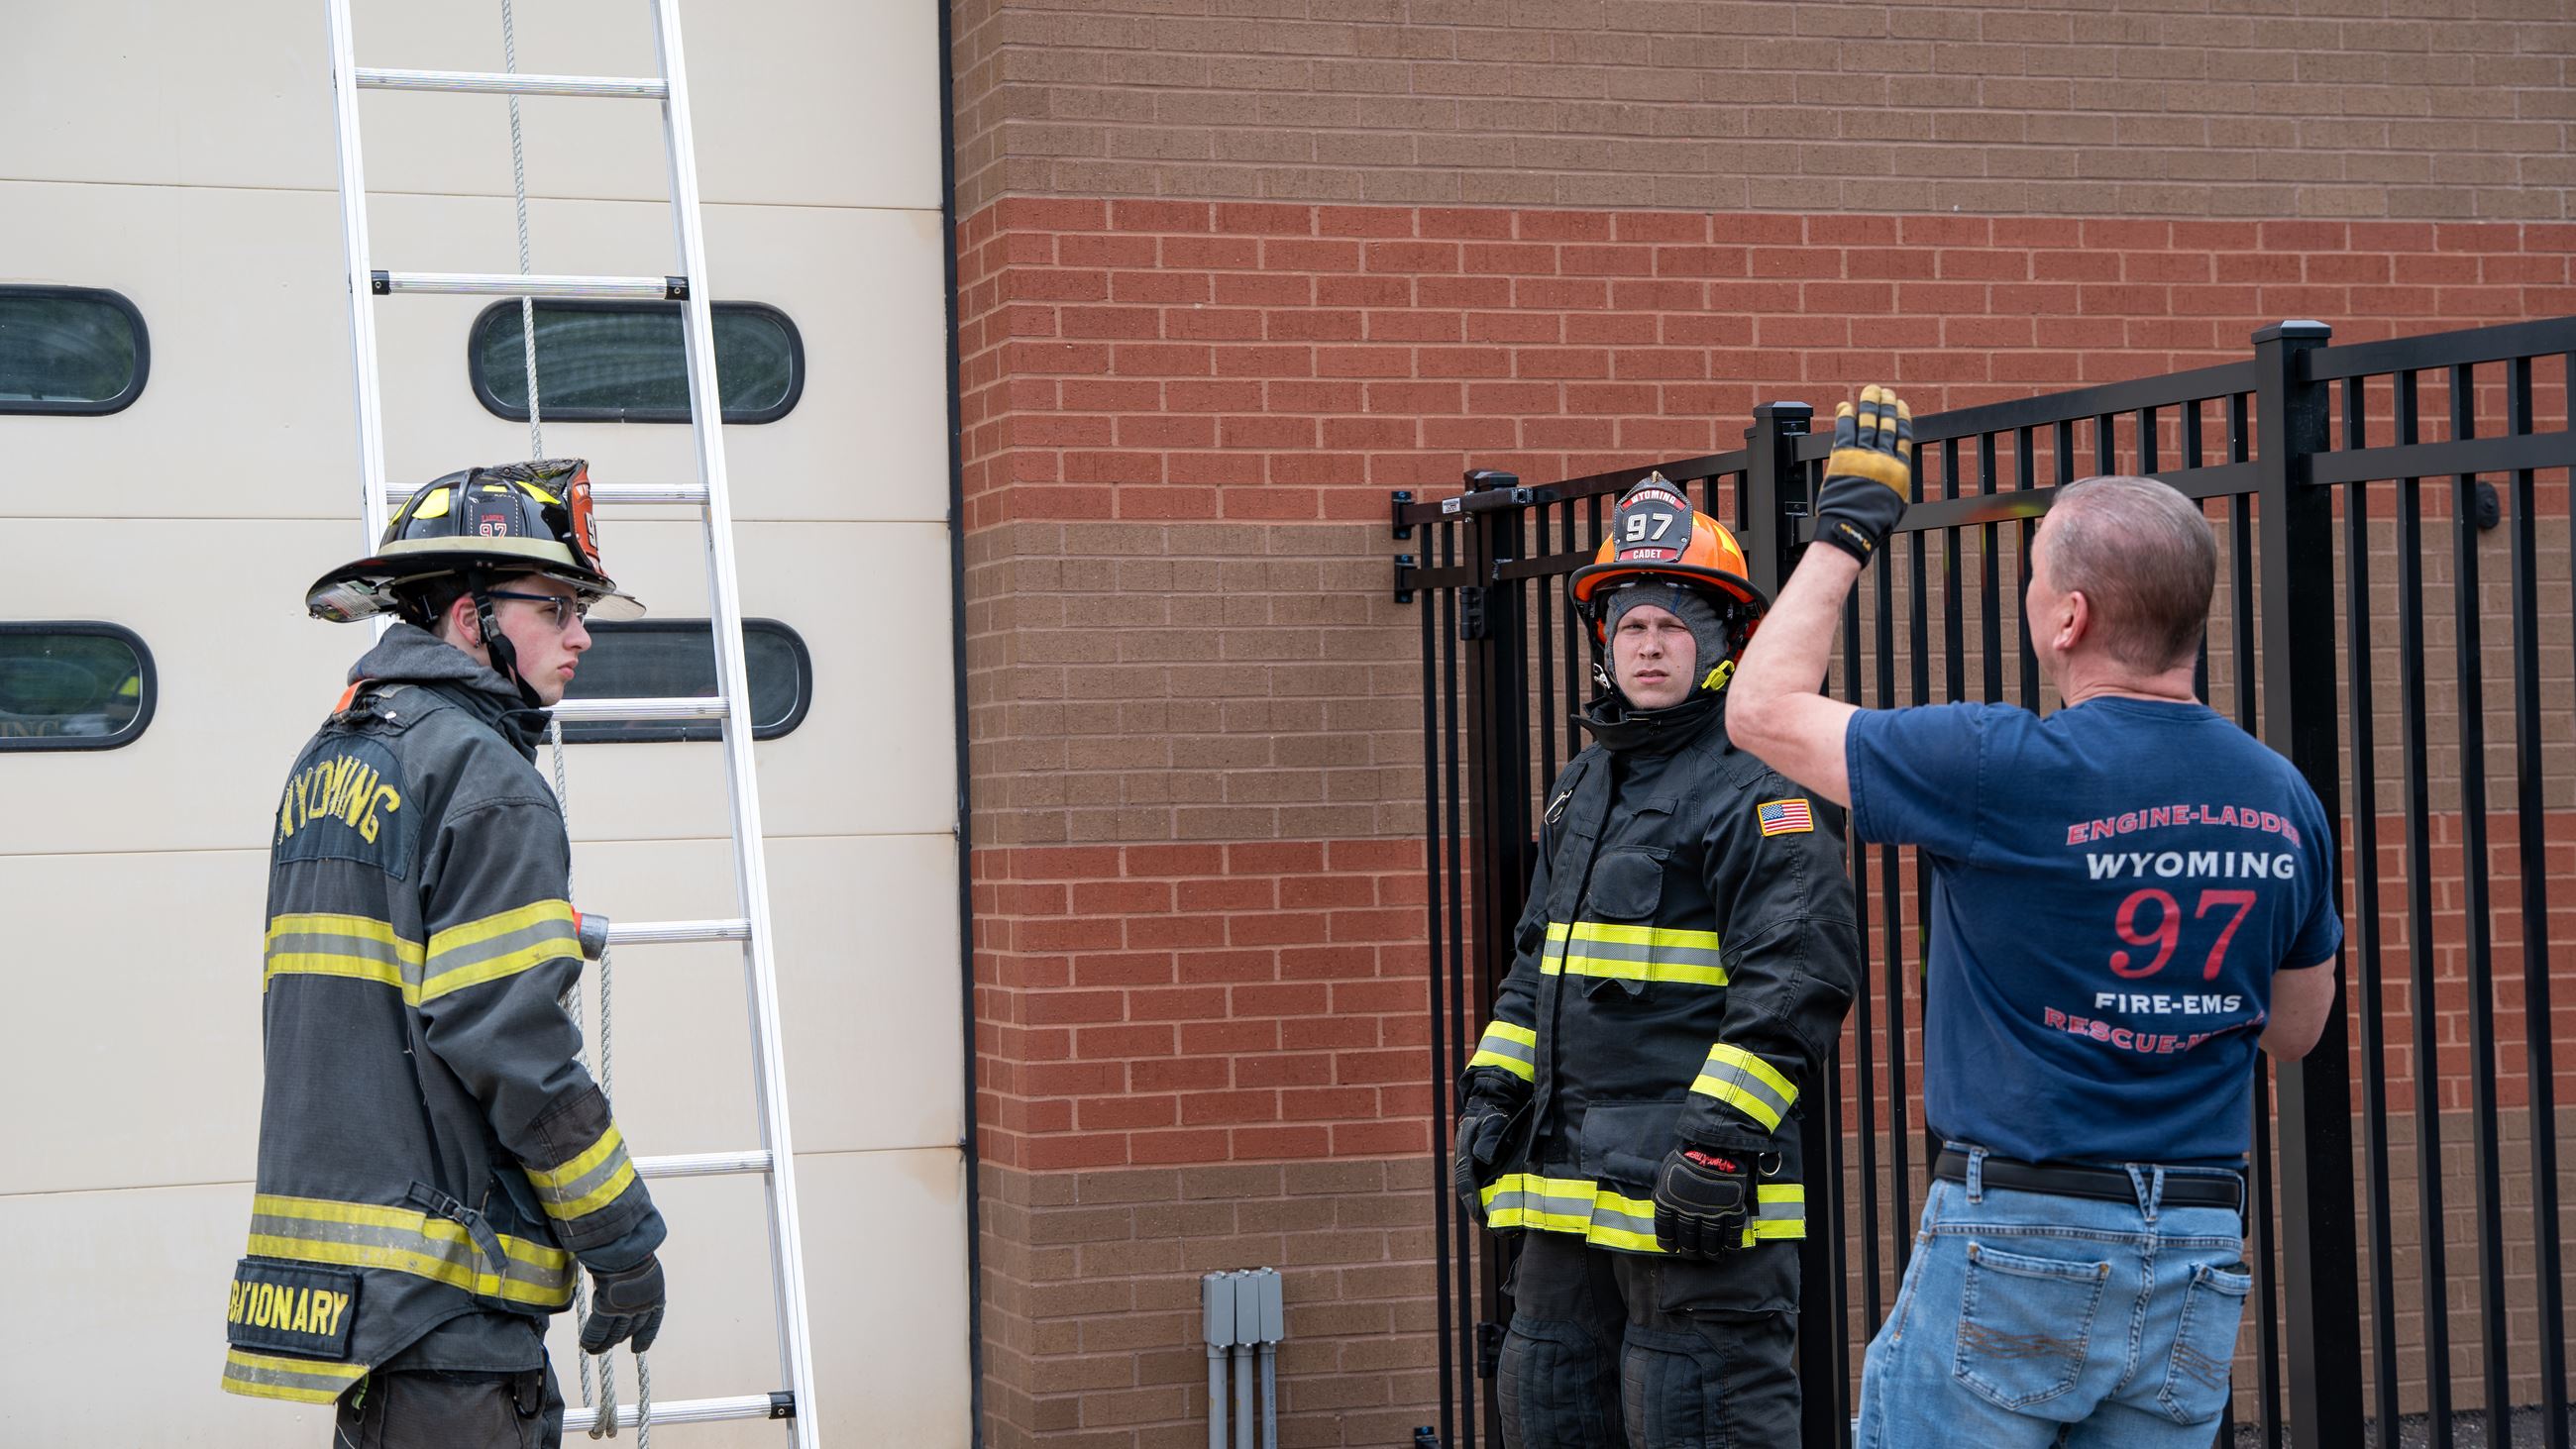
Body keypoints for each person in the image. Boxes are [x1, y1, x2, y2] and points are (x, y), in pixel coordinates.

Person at [1726, 388, 2343, 1447]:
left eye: (2032, 583)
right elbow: (2292, 1030)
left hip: (2018, 1230)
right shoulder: (2279, 795)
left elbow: (1759, 707)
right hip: (2196, 1243)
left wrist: (1840, 532)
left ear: (2069, 616)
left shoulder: (2000, 766)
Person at [222, 460, 671, 1447]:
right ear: (469, 617)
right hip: (449, 1312)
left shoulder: (332, 754)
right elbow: (509, 1042)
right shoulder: (486, 777)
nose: (581, 634)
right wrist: (623, 1239)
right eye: (553, 606)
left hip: (368, 1316)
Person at [1450, 472, 1859, 1448]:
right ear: (1603, 640)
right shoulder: (1585, 778)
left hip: (1697, 1204)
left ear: (1722, 638)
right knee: (1545, 1407)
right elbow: (1536, 962)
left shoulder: (1757, 784)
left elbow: (1796, 975)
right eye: (1628, 624)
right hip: (1564, 1203)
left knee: (1699, 1421)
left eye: (1671, 624)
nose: (1645, 643)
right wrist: (1493, 1091)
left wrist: (1717, 1143)